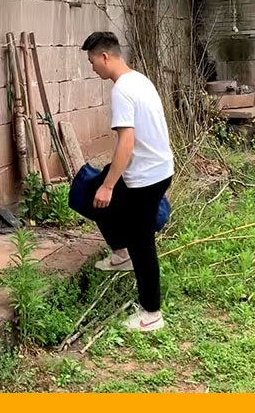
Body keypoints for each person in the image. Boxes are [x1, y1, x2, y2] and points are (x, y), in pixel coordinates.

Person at [81, 31, 174, 332]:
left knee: (142, 242)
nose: (92, 67)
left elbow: (127, 142)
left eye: (92, 60)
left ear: (105, 57)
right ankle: (120, 253)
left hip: (145, 177)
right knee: (90, 193)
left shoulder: (122, 89)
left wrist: (109, 185)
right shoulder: (140, 80)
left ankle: (151, 313)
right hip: (157, 169)